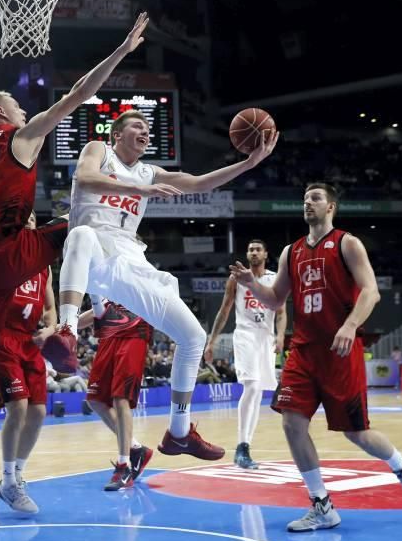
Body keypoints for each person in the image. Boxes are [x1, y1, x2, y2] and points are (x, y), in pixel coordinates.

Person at [0, 12, 151, 515]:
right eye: (15, 102)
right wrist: (121, 51)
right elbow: (79, 92)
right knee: (81, 224)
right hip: (9, 253)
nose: (21, 104)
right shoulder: (20, 137)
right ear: (4, 113)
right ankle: (78, 322)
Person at [43, 109, 278, 460]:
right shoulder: (98, 150)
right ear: (116, 134)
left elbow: (198, 183)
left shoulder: (149, 171)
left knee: (193, 337)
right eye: (138, 126)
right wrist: (141, 188)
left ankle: (179, 432)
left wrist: (248, 163)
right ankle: (67, 330)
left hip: (129, 261)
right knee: (80, 234)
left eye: (148, 129)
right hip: (93, 253)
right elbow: (85, 178)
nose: (145, 132)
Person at [229, 183, 402, 532]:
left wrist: (351, 325)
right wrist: (251, 283)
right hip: (304, 350)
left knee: (357, 434)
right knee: (291, 422)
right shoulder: (290, 252)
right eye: (305, 199)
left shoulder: (347, 243)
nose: (308, 203)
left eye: (315, 198)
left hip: (340, 350)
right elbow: (276, 301)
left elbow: (372, 292)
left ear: (331, 206)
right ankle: (321, 505)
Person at [0, 212, 56, 514]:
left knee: (39, 411)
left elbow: (51, 308)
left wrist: (51, 329)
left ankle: (16, 476)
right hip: (3, 337)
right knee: (19, 407)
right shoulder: (3, 255)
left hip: (29, 341)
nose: (28, 222)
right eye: (23, 219)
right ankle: (8, 479)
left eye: (32, 219)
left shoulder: (44, 266)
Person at [205, 239, 286, 468]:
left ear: (266, 254)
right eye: (250, 249)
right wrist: (211, 341)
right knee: (251, 386)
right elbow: (225, 309)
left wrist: (280, 336)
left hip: (266, 337)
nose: (253, 252)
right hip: (245, 334)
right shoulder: (236, 278)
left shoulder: (274, 279)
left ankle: (245, 446)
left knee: (258, 390)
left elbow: (281, 313)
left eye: (258, 249)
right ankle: (241, 446)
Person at [78, 298, 154, 491]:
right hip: (109, 335)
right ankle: (137, 449)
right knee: (95, 400)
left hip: (134, 333)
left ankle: (124, 466)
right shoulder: (107, 283)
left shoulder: (140, 278)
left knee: (120, 399)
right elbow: (98, 310)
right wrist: (65, 326)